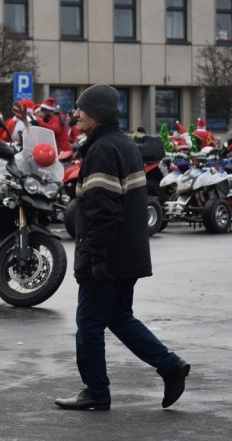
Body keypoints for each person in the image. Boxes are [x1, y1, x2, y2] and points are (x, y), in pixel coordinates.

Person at [54, 84, 190, 412]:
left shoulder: (101, 150)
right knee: (118, 316)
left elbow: (104, 210)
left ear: (98, 113)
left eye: (82, 110)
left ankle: (96, 391)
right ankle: (169, 365)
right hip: (127, 254)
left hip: (107, 256)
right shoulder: (124, 145)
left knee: (89, 324)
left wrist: (97, 257)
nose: (76, 114)